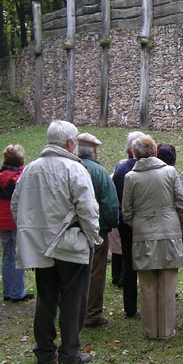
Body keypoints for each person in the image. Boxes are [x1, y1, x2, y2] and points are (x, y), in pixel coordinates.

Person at [12, 120, 101, 364]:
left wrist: (33, 231)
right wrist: (93, 237)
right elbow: (88, 209)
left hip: (42, 245)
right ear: (70, 143)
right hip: (70, 244)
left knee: (46, 298)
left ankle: (44, 351)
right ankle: (69, 352)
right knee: (73, 300)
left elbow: (16, 206)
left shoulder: (30, 169)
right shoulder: (75, 169)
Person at [122, 135, 183, 339]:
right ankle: (166, 330)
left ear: (134, 153)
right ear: (155, 151)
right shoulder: (169, 172)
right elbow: (182, 204)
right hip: (169, 231)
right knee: (168, 283)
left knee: (148, 284)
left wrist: (141, 225)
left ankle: (151, 330)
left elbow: (126, 211)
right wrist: (175, 222)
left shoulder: (131, 177)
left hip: (143, 232)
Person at [77, 132, 119, 328]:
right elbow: (109, 203)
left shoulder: (69, 167)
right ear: (93, 150)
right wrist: (111, 223)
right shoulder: (99, 172)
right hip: (96, 232)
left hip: (68, 231)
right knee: (95, 273)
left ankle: (71, 310)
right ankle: (92, 313)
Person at [0, 144, 33, 303]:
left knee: (7, 256)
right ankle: (17, 292)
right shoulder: (20, 178)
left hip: (2, 221)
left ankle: (8, 291)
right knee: (18, 256)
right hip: (18, 220)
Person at [112, 130, 145, 318]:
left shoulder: (120, 168)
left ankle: (130, 307)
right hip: (142, 220)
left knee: (129, 262)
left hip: (125, 220)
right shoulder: (141, 168)